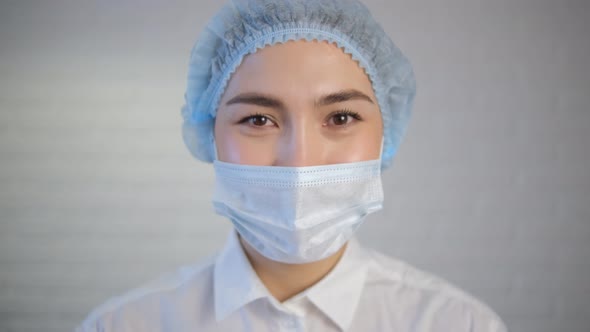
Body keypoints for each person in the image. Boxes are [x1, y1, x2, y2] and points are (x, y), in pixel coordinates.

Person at [76, 0, 508, 331]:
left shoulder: (458, 324)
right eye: (258, 119)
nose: (300, 161)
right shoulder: (124, 325)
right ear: (211, 133)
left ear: (385, 133)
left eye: (341, 118)